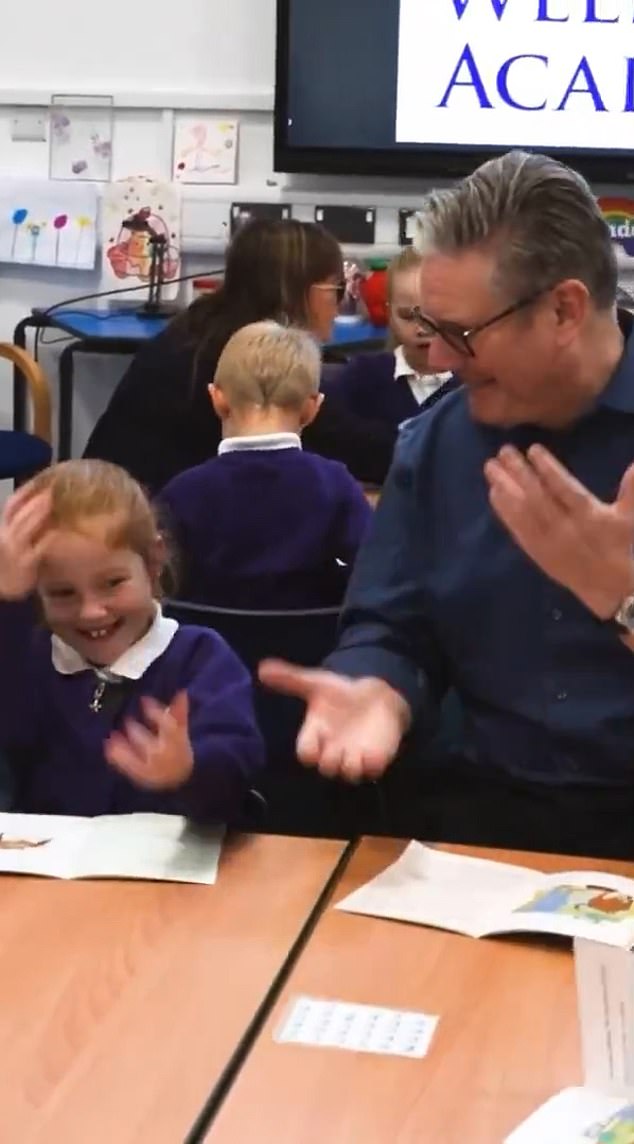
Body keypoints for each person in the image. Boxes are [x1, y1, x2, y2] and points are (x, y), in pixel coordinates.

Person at [260, 149, 634, 859]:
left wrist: (624, 599)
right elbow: (392, 623)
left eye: (461, 334)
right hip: (477, 818)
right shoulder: (438, 446)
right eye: (428, 328)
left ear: (564, 309)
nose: (436, 361)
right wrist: (378, 688)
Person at [0, 459, 264, 819]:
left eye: (112, 583)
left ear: (153, 563)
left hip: (167, 868)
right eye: (63, 593)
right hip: (41, 870)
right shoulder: (27, 656)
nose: (91, 612)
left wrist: (188, 771)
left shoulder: (200, 658)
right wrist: (8, 604)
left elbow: (236, 771)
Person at [84, 218, 397, 492]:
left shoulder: (203, 326)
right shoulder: (257, 360)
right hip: (146, 528)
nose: (341, 302)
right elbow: (353, 447)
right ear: (295, 290)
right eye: (337, 288)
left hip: (105, 501)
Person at [159, 322, 372, 609]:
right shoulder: (335, 484)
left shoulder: (182, 493)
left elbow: (158, 584)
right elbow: (374, 570)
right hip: (313, 648)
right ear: (312, 408)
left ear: (218, 399)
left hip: (208, 649)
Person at [322, 247, 459, 431]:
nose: (422, 328)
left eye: (432, 314)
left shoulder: (476, 385)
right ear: (389, 314)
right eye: (407, 316)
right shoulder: (361, 379)